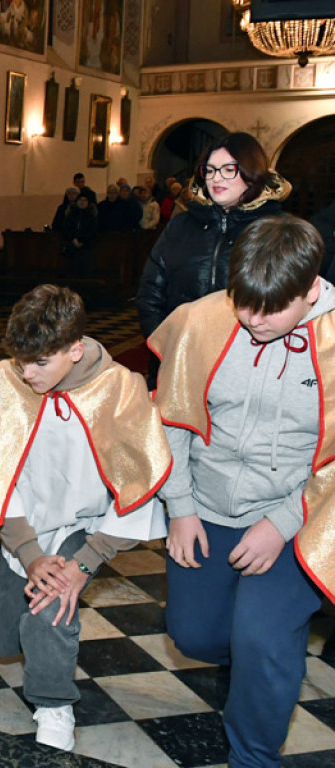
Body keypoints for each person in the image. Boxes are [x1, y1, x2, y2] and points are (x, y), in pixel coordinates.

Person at [0, 284, 170, 752]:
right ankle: (26, 641)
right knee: (4, 638)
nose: (28, 373)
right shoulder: (7, 381)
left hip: (85, 526)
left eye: (40, 362)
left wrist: (83, 561)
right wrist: (28, 550)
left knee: (51, 605)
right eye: (21, 360)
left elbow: (138, 479)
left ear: (75, 349)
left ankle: (54, 704)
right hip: (25, 524)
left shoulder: (118, 387)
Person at [149, 215, 335, 768]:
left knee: (261, 637)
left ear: (309, 290)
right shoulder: (203, 319)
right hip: (205, 508)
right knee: (196, 638)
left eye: (270, 309)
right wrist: (180, 508)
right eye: (243, 303)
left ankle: (253, 753)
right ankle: (263, 661)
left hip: (304, 518)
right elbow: (172, 421)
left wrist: (280, 525)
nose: (252, 320)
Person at [136, 132, 290, 339]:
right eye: (209, 170)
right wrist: (164, 344)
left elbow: (290, 302)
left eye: (228, 169)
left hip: (252, 356)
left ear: (251, 172)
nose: (216, 178)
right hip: (183, 352)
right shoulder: (181, 225)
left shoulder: (280, 229)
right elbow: (150, 293)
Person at [61, 195, 98, 277]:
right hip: (72, 246)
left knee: (85, 269)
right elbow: (66, 229)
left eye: (85, 200)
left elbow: (92, 231)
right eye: (80, 200)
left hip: (86, 246)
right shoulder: (71, 215)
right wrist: (73, 239)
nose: (82, 202)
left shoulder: (91, 216)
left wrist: (82, 240)